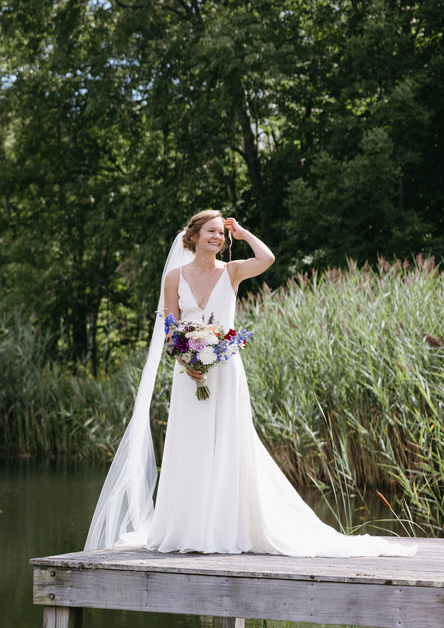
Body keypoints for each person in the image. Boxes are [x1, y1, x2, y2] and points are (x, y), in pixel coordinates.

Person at [84, 210, 415, 558]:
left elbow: (267, 258)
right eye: (210, 231)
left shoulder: (232, 270)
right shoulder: (174, 277)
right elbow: (169, 329)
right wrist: (186, 361)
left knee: (228, 442)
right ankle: (188, 527)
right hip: (189, 375)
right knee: (191, 444)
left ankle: (223, 527)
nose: (217, 238)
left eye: (220, 234)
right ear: (193, 236)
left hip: (225, 370)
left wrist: (241, 232)